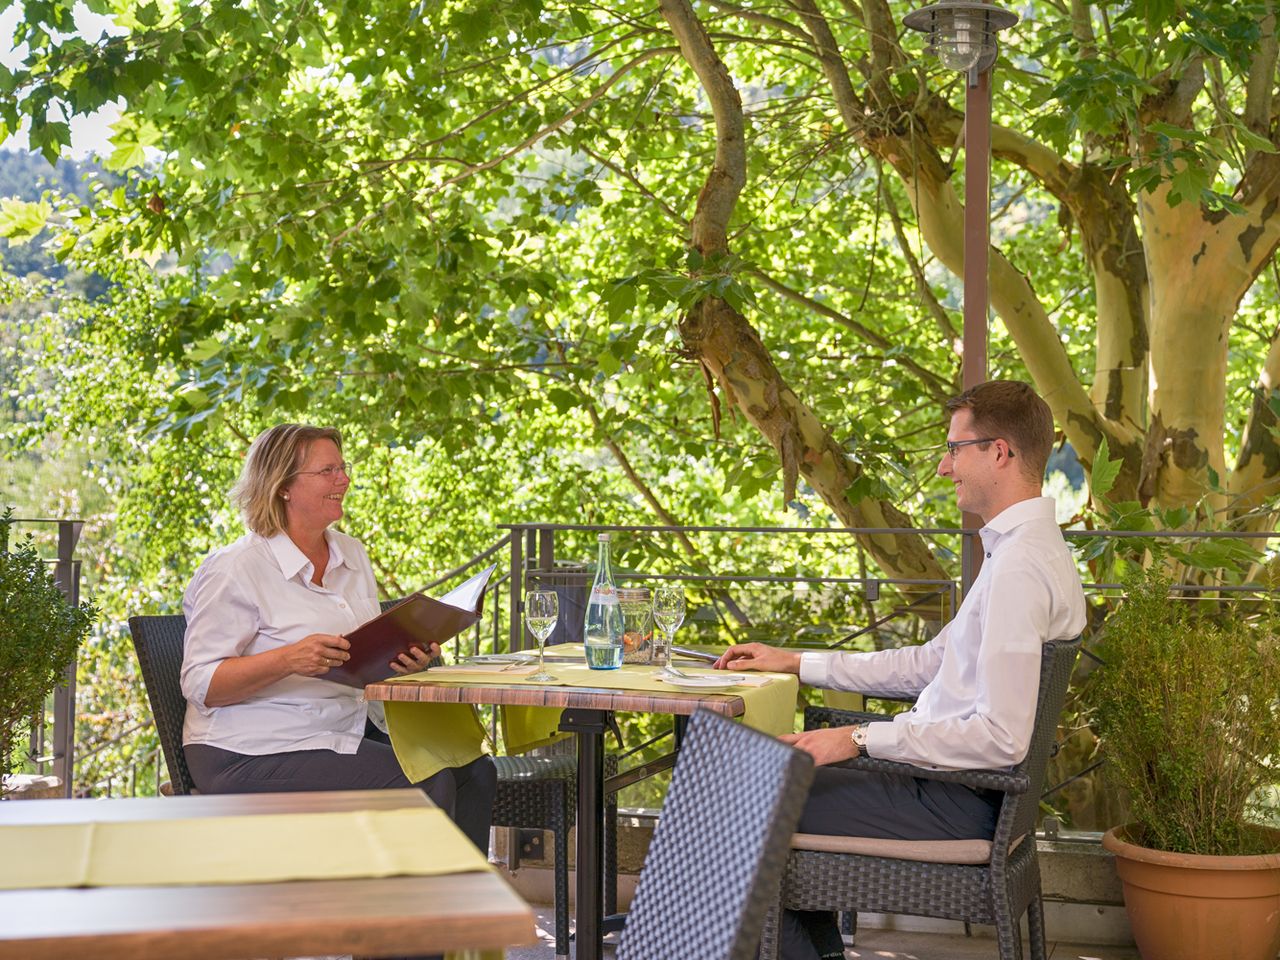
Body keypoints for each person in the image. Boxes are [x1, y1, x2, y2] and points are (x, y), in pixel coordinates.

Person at [714, 380, 1087, 960]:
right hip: (946, 784)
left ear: (1000, 452)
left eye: (955, 448)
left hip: (956, 796)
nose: (944, 467)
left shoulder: (1019, 568)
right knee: (749, 782)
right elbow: (929, 663)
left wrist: (858, 739)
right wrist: (797, 662)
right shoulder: (1023, 552)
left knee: (731, 801)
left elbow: (1002, 736)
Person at [180, 423, 497, 853]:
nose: (343, 480)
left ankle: (464, 908)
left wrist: (405, 658)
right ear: (283, 486)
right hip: (247, 750)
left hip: (340, 730)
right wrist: (289, 659)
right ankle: (409, 915)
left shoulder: (351, 554)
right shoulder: (235, 568)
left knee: (475, 770)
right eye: (328, 471)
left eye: (343, 468)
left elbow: (360, 655)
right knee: (427, 781)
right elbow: (201, 684)